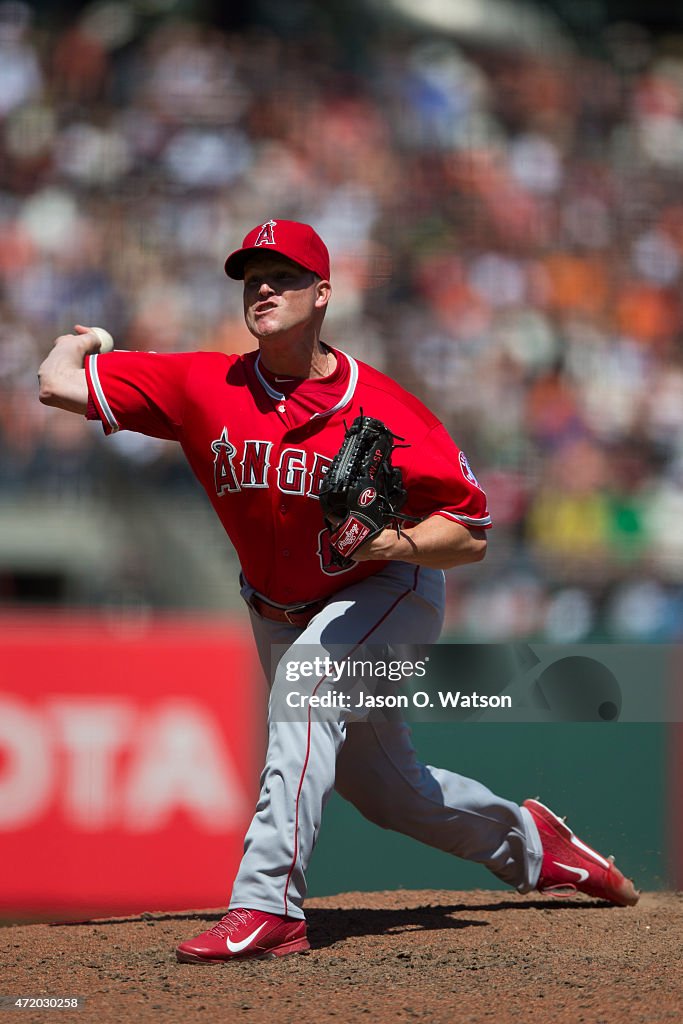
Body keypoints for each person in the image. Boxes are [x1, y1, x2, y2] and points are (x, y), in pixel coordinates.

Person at [38, 219, 639, 963]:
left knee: (306, 689)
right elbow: (56, 385)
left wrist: (395, 542)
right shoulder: (203, 383)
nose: (262, 287)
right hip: (277, 608)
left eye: (282, 275)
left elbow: (473, 530)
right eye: (252, 276)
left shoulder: (384, 408)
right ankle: (535, 846)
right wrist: (82, 344)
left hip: (387, 587)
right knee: (392, 793)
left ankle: (269, 905)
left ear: (322, 294)